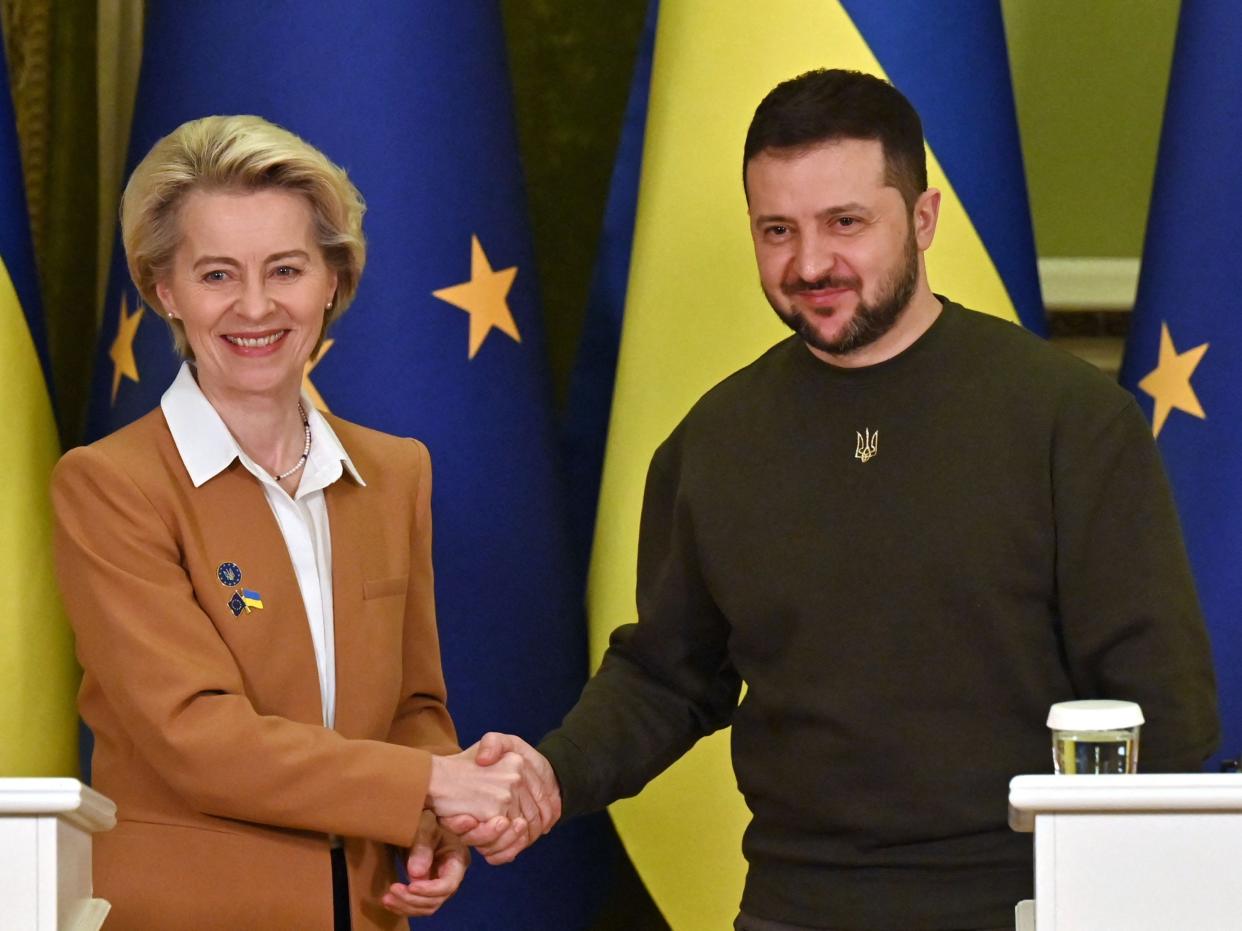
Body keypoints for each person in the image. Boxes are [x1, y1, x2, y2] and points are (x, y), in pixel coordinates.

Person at [452, 69, 1221, 929]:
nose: (810, 263)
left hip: (1030, 902)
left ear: (923, 219)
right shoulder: (713, 443)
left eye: (845, 223)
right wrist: (550, 775)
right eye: (777, 229)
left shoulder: (1070, 425)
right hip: (793, 906)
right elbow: (667, 677)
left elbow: (1167, 717)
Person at [51, 115, 549, 931]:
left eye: (285, 268)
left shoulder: (395, 473)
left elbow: (413, 708)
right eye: (216, 274)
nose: (255, 306)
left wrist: (437, 822)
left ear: (333, 282)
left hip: (366, 911)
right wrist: (428, 786)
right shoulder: (110, 485)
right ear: (163, 289)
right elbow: (195, 737)